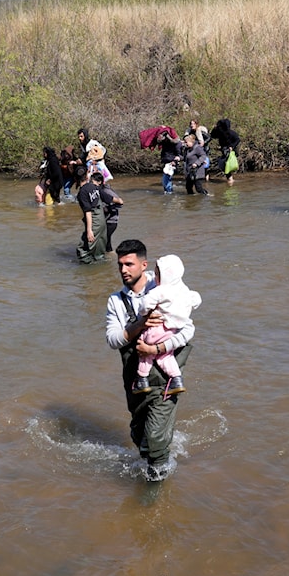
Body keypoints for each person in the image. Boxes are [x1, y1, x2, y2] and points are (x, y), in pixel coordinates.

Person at [105, 239, 194, 482]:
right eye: (120, 265)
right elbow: (113, 339)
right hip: (136, 377)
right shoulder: (116, 301)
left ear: (144, 265)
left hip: (166, 376)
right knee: (139, 433)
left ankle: (156, 485)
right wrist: (140, 324)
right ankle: (157, 453)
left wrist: (157, 347)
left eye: (129, 264)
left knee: (154, 439)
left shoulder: (167, 292)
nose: (123, 270)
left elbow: (188, 331)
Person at [133, 254, 201, 396]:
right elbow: (196, 300)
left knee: (145, 352)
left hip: (156, 328)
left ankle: (142, 379)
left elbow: (145, 304)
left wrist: (144, 314)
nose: (156, 278)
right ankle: (176, 379)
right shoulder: (184, 292)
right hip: (171, 331)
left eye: (158, 275)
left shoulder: (159, 291)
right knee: (166, 356)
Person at [74, 165, 107, 264]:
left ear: (75, 178)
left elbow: (88, 212)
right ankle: (101, 268)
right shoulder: (93, 186)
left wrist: (89, 230)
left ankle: (89, 271)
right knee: (99, 248)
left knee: (82, 249)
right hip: (102, 221)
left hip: (94, 222)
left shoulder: (82, 192)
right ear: (87, 176)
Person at [98, 176, 124, 252]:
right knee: (106, 240)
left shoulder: (106, 191)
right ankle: (109, 255)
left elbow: (120, 203)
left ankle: (109, 255)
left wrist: (107, 209)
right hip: (105, 220)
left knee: (105, 239)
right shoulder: (99, 190)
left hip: (111, 221)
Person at [211, 118, 241, 184]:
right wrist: (214, 129)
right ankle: (230, 179)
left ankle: (230, 180)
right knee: (225, 165)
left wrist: (232, 147)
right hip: (224, 150)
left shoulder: (231, 133)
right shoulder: (219, 132)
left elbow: (237, 140)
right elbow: (212, 135)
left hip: (231, 151)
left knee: (226, 164)